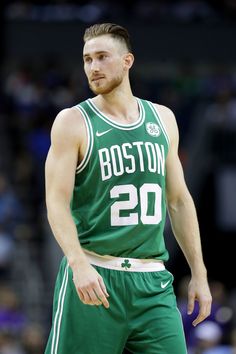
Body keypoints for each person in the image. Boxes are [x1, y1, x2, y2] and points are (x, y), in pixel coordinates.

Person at [44, 23, 212, 354]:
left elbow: (178, 201)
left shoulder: (162, 119)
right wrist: (78, 264)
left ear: (127, 61)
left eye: (102, 57)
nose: (93, 67)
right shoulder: (72, 122)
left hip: (152, 281)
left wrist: (199, 273)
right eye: (87, 59)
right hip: (95, 275)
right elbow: (56, 202)